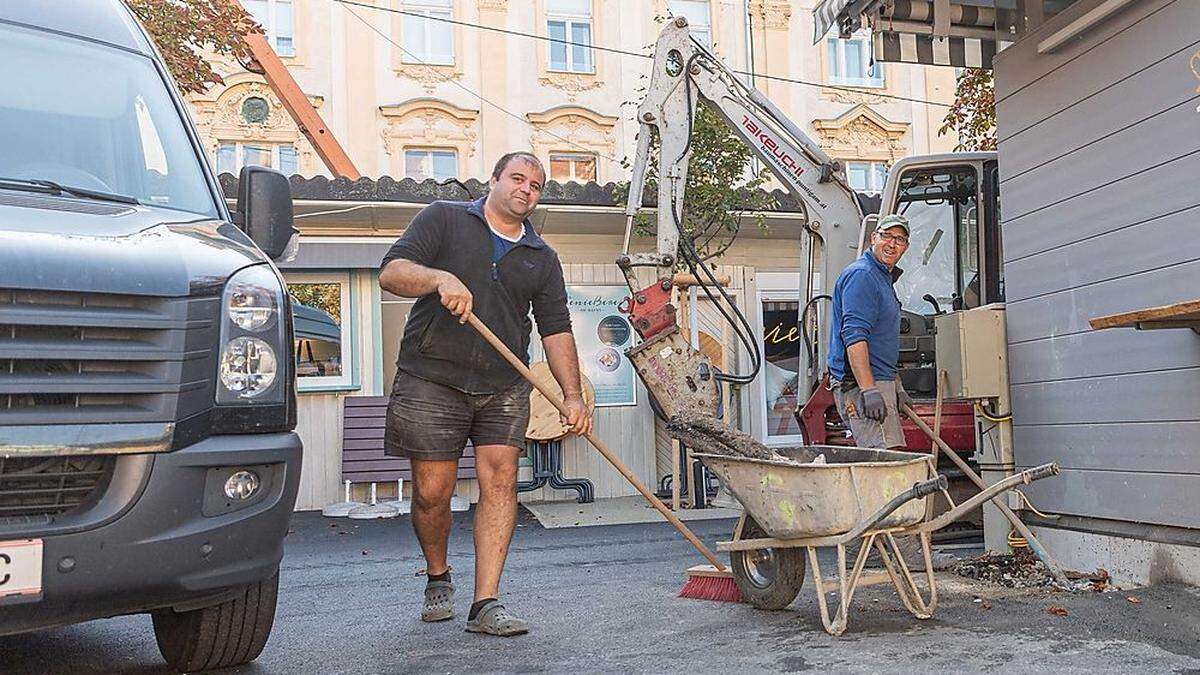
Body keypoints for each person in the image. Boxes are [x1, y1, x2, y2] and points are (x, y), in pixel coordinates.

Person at [379, 151, 593, 637]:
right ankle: (438, 575)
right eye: (517, 178)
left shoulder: (541, 257)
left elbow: (556, 328)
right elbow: (391, 272)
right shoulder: (445, 220)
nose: (526, 189)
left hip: (502, 384)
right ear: (494, 180)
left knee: (501, 482)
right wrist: (438, 278)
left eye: (536, 185)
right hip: (432, 378)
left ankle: (486, 602)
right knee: (433, 493)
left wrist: (572, 395)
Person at [826, 214, 913, 450]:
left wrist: (897, 387)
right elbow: (854, 336)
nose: (892, 244)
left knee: (891, 458)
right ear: (873, 237)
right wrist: (869, 389)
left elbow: (881, 342)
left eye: (900, 239)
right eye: (886, 236)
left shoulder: (881, 278)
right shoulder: (863, 276)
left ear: (906, 247)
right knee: (883, 462)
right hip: (861, 383)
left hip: (879, 380)